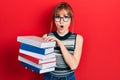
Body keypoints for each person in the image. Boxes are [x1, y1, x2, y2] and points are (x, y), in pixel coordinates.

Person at [42, 2, 83, 80]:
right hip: (49, 77)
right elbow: (41, 63)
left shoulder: (78, 39)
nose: (61, 21)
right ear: (54, 19)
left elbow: (73, 65)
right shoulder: (46, 37)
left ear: (71, 19)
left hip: (68, 78)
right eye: (58, 17)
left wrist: (60, 44)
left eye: (66, 17)